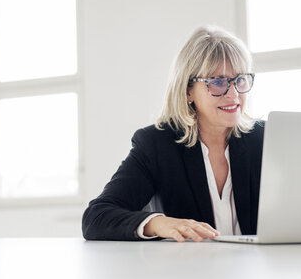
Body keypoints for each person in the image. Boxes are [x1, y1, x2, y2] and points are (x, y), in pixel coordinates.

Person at [82, 25, 264, 242]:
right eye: (218, 82)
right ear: (188, 90)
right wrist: (157, 223)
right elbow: (96, 217)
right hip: (188, 271)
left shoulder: (264, 139)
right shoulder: (157, 145)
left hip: (258, 270)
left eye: (240, 80)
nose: (233, 94)